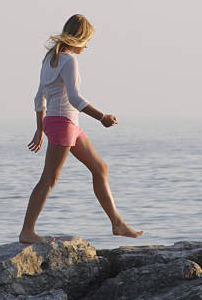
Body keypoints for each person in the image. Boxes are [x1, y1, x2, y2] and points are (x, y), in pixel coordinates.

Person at [19, 14, 144, 244]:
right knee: (48, 179)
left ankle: (117, 223)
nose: (87, 46)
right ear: (79, 38)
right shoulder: (68, 61)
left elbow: (39, 97)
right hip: (63, 123)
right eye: (87, 40)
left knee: (100, 168)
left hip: (65, 124)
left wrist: (40, 127)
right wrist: (102, 117)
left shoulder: (50, 58)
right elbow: (75, 98)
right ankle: (27, 231)